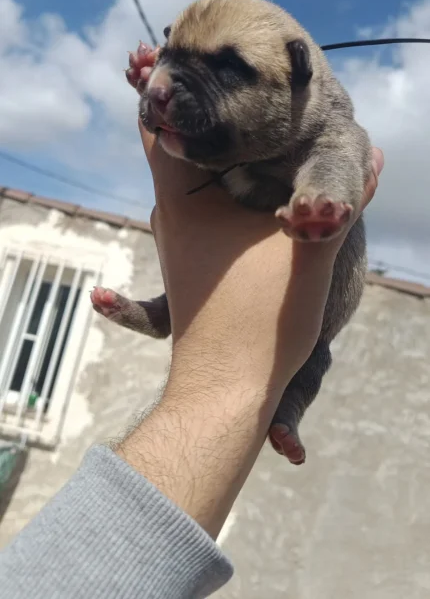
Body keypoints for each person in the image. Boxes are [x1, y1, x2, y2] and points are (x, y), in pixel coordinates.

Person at [0, 46, 383, 598]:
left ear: (299, 72)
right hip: (225, 260)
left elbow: (341, 158)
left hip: (314, 315)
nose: (168, 84)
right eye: (170, 55)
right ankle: (158, 314)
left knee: (311, 362)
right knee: (198, 288)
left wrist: (322, 196)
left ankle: (284, 413)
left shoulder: (327, 123)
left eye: (226, 67)